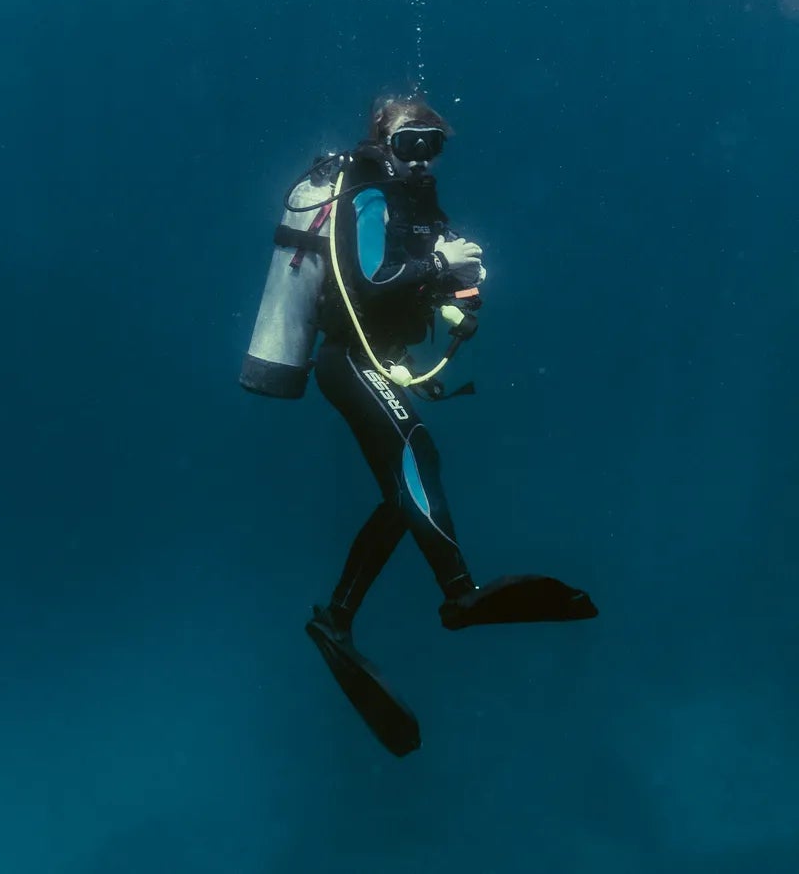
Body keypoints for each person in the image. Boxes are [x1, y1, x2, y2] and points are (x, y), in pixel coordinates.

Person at [241, 94, 596, 756]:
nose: (422, 157)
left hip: (369, 360)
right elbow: (369, 277)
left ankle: (337, 619)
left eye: (433, 144)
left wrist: (458, 293)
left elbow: (410, 283)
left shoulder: (410, 203)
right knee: (418, 448)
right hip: (347, 361)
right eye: (410, 143)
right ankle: (459, 595)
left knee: (402, 494)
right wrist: (440, 267)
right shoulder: (371, 189)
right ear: (384, 141)